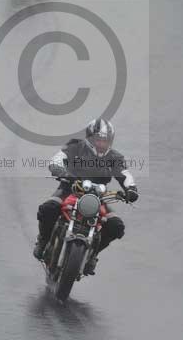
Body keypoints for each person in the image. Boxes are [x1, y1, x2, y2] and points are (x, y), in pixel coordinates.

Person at [33, 118, 139, 275]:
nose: (102, 144)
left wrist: (131, 189)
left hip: (98, 196)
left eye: (105, 140)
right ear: (90, 138)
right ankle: (43, 241)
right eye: (98, 139)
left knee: (116, 226)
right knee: (49, 208)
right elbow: (57, 158)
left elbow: (124, 173)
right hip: (69, 189)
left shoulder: (115, 157)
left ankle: (92, 255)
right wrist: (61, 171)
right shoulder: (75, 146)